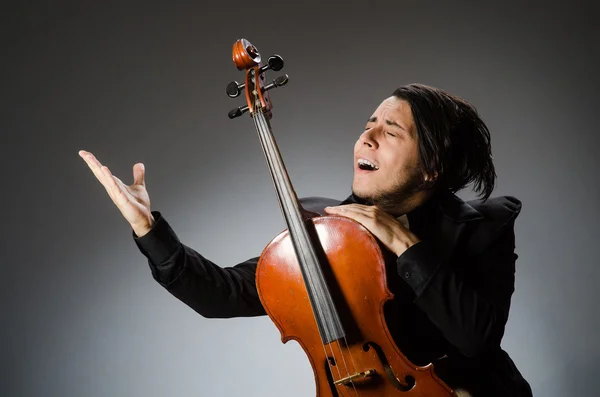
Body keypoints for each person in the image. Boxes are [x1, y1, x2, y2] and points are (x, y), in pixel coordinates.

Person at [79, 83, 533, 396]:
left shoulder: (485, 226)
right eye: (368, 124)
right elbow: (222, 294)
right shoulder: (327, 233)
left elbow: (476, 338)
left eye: (391, 132)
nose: (367, 137)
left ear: (432, 166)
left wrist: (403, 243)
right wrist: (148, 229)